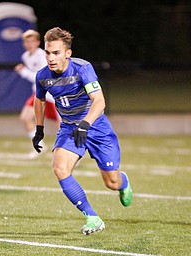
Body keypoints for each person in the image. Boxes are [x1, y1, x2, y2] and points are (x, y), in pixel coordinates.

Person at [32, 27, 133, 235]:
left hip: (96, 128)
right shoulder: (42, 76)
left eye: (56, 53)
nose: (51, 58)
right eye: (47, 53)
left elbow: (99, 101)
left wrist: (85, 124)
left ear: (68, 53)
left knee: (111, 182)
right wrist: (39, 128)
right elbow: (39, 100)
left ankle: (123, 182)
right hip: (70, 128)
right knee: (60, 168)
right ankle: (92, 217)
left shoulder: (82, 68)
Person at [15, 30, 60, 158]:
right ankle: (39, 146)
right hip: (38, 93)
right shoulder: (25, 56)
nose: (29, 44)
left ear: (38, 43)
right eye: (27, 42)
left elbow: (40, 77)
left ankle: (69, 151)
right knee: (25, 117)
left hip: (51, 93)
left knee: (61, 124)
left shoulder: (43, 55)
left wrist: (23, 71)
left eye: (32, 41)